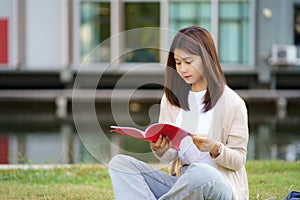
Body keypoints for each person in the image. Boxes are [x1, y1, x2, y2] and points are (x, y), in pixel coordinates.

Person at [108, 26, 249, 200]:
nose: (182, 69)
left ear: (206, 59)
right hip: (182, 185)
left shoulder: (232, 103)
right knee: (120, 164)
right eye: (178, 62)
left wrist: (214, 148)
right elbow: (171, 156)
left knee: (200, 172)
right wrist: (160, 148)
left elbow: (238, 159)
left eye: (188, 62)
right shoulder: (171, 100)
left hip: (218, 186)